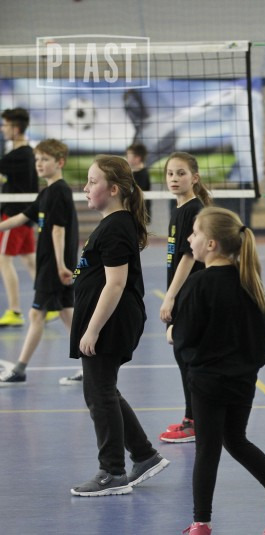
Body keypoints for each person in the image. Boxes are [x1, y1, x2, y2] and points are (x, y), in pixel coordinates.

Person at [169, 207, 265, 535]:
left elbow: (185, 340)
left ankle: (201, 524)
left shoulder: (198, 284)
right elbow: (263, 336)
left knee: (207, 449)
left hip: (207, 381)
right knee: (234, 438)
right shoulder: (251, 283)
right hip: (243, 380)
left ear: (211, 244)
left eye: (195, 233)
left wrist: (174, 332)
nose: (189, 238)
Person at [69, 155, 169, 497]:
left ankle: (112, 472)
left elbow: (115, 284)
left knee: (99, 392)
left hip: (112, 321)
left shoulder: (116, 226)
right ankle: (144, 455)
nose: (86, 187)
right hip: (109, 318)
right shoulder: (113, 223)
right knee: (103, 389)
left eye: (92, 181)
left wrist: (93, 329)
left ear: (113, 189)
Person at [0, 139, 78, 385]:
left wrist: (61, 266)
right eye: (37, 159)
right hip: (52, 265)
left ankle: (20, 369)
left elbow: (58, 230)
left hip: (53, 267)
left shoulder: (59, 192)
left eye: (45, 159)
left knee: (36, 315)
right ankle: (92, 366)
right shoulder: (46, 192)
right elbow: (22, 217)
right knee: (67, 315)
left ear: (60, 162)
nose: (39, 164)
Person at [158, 152, 211, 444]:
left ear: (195, 178)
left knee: (187, 357)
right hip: (184, 294)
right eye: (170, 174)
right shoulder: (179, 209)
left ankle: (195, 421)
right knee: (183, 356)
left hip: (189, 294)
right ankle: (194, 417)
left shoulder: (193, 210)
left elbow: (188, 258)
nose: (174, 179)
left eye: (181, 173)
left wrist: (170, 298)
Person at [0, 108, 38, 327]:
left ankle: (14, 311)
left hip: (14, 215)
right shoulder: (26, 153)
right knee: (29, 260)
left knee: (3, 260)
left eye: (5, 125)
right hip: (26, 213)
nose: (2, 129)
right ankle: (50, 304)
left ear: (15, 128)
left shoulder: (19, 155)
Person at [126, 142, 152, 221]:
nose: (127, 158)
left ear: (137, 158)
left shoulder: (142, 175)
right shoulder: (133, 173)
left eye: (128, 156)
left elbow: (136, 195)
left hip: (139, 215)